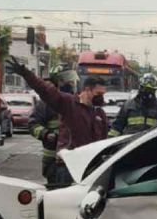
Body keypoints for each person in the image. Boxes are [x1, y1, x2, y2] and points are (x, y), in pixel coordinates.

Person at [7, 58, 109, 187]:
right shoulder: (69, 103)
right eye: (98, 93)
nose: (102, 97)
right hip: (68, 167)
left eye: (103, 94)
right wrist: (26, 73)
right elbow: (45, 90)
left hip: (90, 167)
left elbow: (105, 141)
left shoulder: (100, 114)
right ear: (87, 90)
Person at [28, 72, 67, 185]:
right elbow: (32, 124)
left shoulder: (68, 102)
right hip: (52, 159)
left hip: (72, 158)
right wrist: (45, 134)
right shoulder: (43, 105)